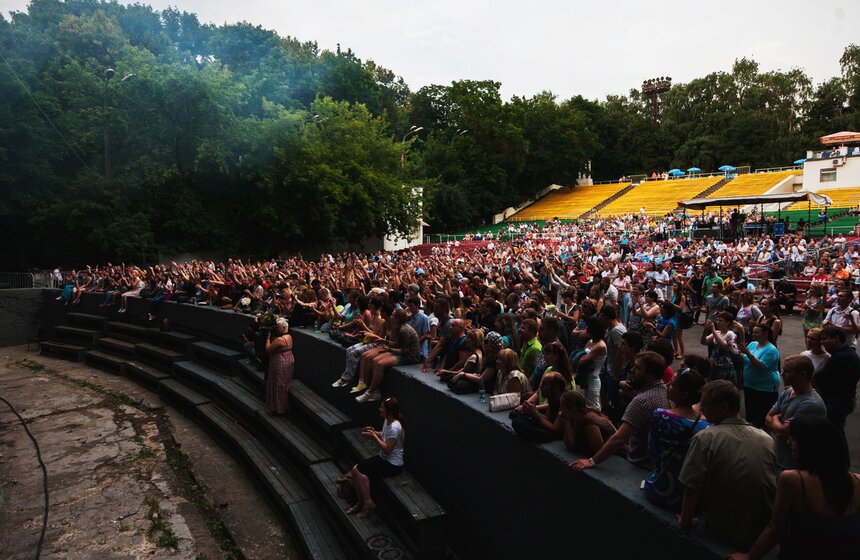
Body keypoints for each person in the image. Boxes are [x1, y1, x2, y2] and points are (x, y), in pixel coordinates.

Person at [727, 416, 860, 560]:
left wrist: (749, 556)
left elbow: (775, 529)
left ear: (809, 445)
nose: (789, 443)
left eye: (794, 439)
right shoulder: (857, 480)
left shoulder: (792, 480)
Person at [678, 380, 776, 550]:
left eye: (706, 406)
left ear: (723, 408)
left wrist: (685, 521)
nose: (701, 410)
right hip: (759, 529)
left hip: (724, 529)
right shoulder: (765, 438)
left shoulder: (706, 437)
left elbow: (691, 486)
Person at [571, 351, 669, 470]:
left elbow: (619, 439)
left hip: (639, 465)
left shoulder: (642, 401)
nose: (632, 370)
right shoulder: (664, 390)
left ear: (651, 374)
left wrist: (592, 461)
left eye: (637, 368)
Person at [644, 368, 710, 510]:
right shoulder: (706, 427)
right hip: (685, 498)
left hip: (657, 486)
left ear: (684, 395)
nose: (667, 385)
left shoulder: (660, 415)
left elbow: (652, 451)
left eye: (673, 385)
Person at [345, 397, 405, 519]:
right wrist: (374, 432)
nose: (379, 409)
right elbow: (384, 434)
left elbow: (387, 450)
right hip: (384, 459)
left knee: (357, 471)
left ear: (389, 411)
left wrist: (373, 437)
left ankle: (367, 503)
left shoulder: (395, 427)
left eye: (382, 407)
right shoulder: (388, 420)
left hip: (392, 464)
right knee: (357, 471)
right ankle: (363, 502)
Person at [766, 355, 827, 472]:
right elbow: (767, 418)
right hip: (781, 459)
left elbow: (781, 432)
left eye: (787, 371)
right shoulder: (788, 391)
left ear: (802, 375)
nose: (782, 374)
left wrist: (775, 420)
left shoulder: (810, 404)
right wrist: (779, 424)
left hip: (795, 466)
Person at [356, 309, 421, 403]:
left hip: (410, 357)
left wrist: (389, 349)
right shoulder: (398, 327)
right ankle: (376, 392)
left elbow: (405, 351)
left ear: (398, 319)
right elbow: (396, 344)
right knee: (375, 360)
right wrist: (384, 341)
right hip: (402, 352)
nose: (391, 316)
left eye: (393, 315)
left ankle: (369, 392)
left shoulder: (404, 330)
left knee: (380, 364)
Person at [814, 326, 860, 434]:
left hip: (837, 402)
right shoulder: (847, 353)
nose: (822, 342)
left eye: (825, 339)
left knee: (833, 433)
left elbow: (819, 378)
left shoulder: (840, 357)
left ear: (837, 338)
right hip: (842, 399)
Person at [739, 324, 780, 428]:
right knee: (752, 416)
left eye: (757, 332)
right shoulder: (752, 344)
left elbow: (761, 365)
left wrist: (747, 353)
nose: (753, 334)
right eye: (753, 332)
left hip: (765, 388)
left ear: (765, 334)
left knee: (763, 419)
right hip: (750, 385)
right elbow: (744, 359)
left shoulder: (771, 349)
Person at [559, 390, 617, 456]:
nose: (560, 410)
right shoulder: (575, 418)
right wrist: (567, 422)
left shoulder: (588, 420)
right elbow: (570, 445)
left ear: (572, 409)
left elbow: (598, 450)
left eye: (562, 407)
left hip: (618, 455)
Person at [265, 317, 294, 414]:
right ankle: (283, 406)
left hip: (280, 361)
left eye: (278, 327)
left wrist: (268, 338)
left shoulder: (279, 339)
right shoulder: (289, 336)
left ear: (282, 327)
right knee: (284, 383)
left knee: (278, 383)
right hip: (289, 358)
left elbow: (268, 349)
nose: (277, 329)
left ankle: (278, 408)